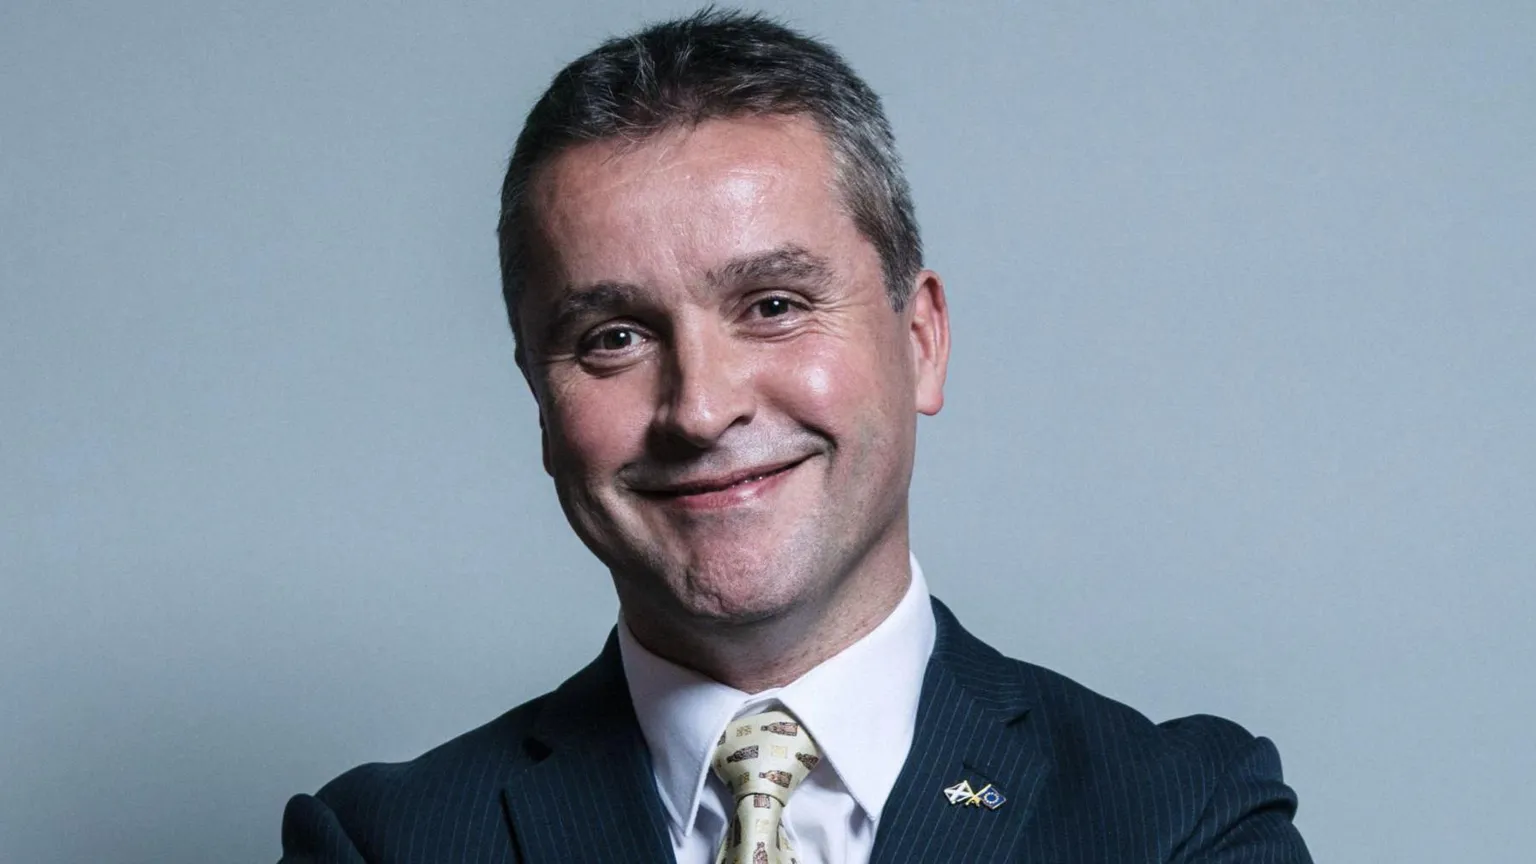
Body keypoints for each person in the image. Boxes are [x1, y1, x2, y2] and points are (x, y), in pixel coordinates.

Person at [279, 10, 1311, 863]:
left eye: (773, 305)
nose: (699, 407)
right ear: (540, 403)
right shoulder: (381, 844)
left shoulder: (1185, 820)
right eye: (615, 337)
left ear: (921, 340)